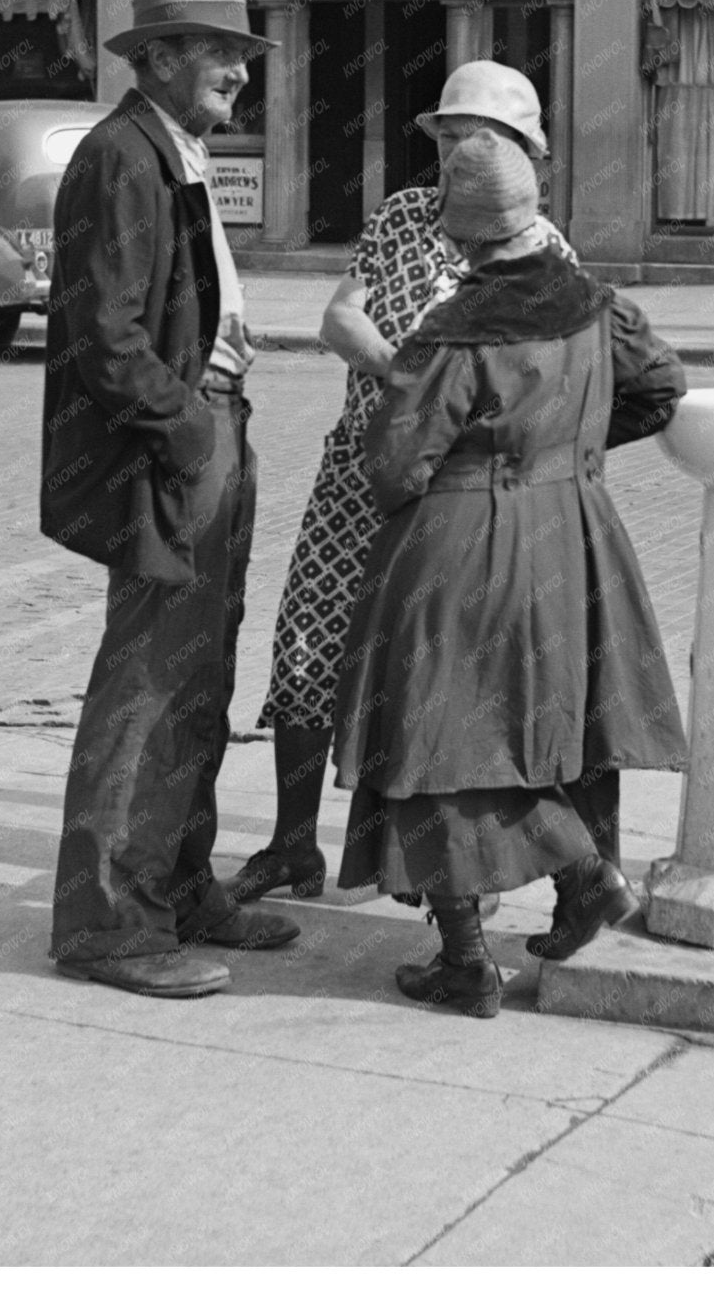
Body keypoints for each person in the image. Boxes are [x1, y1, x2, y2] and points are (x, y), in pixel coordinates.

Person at [332, 130, 689, 1019]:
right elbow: (661, 389)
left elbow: (395, 464)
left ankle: (486, 946)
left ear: (460, 235)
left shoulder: (457, 332)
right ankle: (577, 891)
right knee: (544, 726)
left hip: (461, 547)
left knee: (437, 740)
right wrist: (565, 453)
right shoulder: (599, 305)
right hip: (573, 535)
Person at [229, 61, 577, 905]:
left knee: (442, 677)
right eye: (451, 138)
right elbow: (339, 316)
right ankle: (292, 844)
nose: (459, 153)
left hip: (452, 503)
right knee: (309, 641)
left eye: (478, 139)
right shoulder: (402, 218)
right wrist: (397, 371)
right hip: (358, 469)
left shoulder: (543, 251)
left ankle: (459, 871)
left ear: (524, 155)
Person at [40, 0, 300, 999]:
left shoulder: (167, 148)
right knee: (147, 683)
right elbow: (102, 336)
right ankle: (108, 920)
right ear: (153, 58)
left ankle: (180, 884)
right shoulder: (120, 156)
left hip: (208, 433)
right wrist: (190, 424)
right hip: (177, 445)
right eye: (215, 49)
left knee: (198, 677)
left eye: (240, 52)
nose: (238, 69)